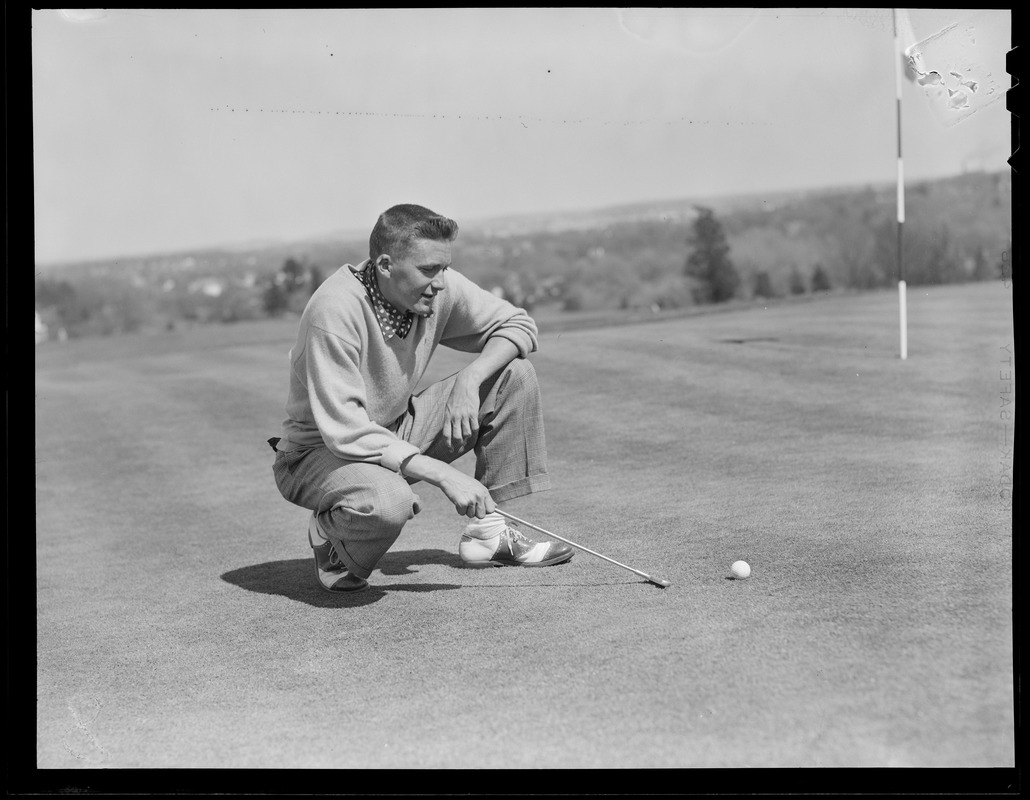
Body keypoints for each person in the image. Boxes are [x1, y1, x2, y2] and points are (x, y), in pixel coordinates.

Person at [268, 203, 572, 592]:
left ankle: (489, 533)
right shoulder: (334, 311)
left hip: (394, 431)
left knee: (512, 374)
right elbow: (345, 431)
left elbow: (518, 324)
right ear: (384, 265)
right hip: (317, 454)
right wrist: (445, 475)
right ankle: (332, 535)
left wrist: (470, 378)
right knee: (389, 502)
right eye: (429, 269)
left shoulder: (435, 289)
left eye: (444, 267)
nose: (441, 281)